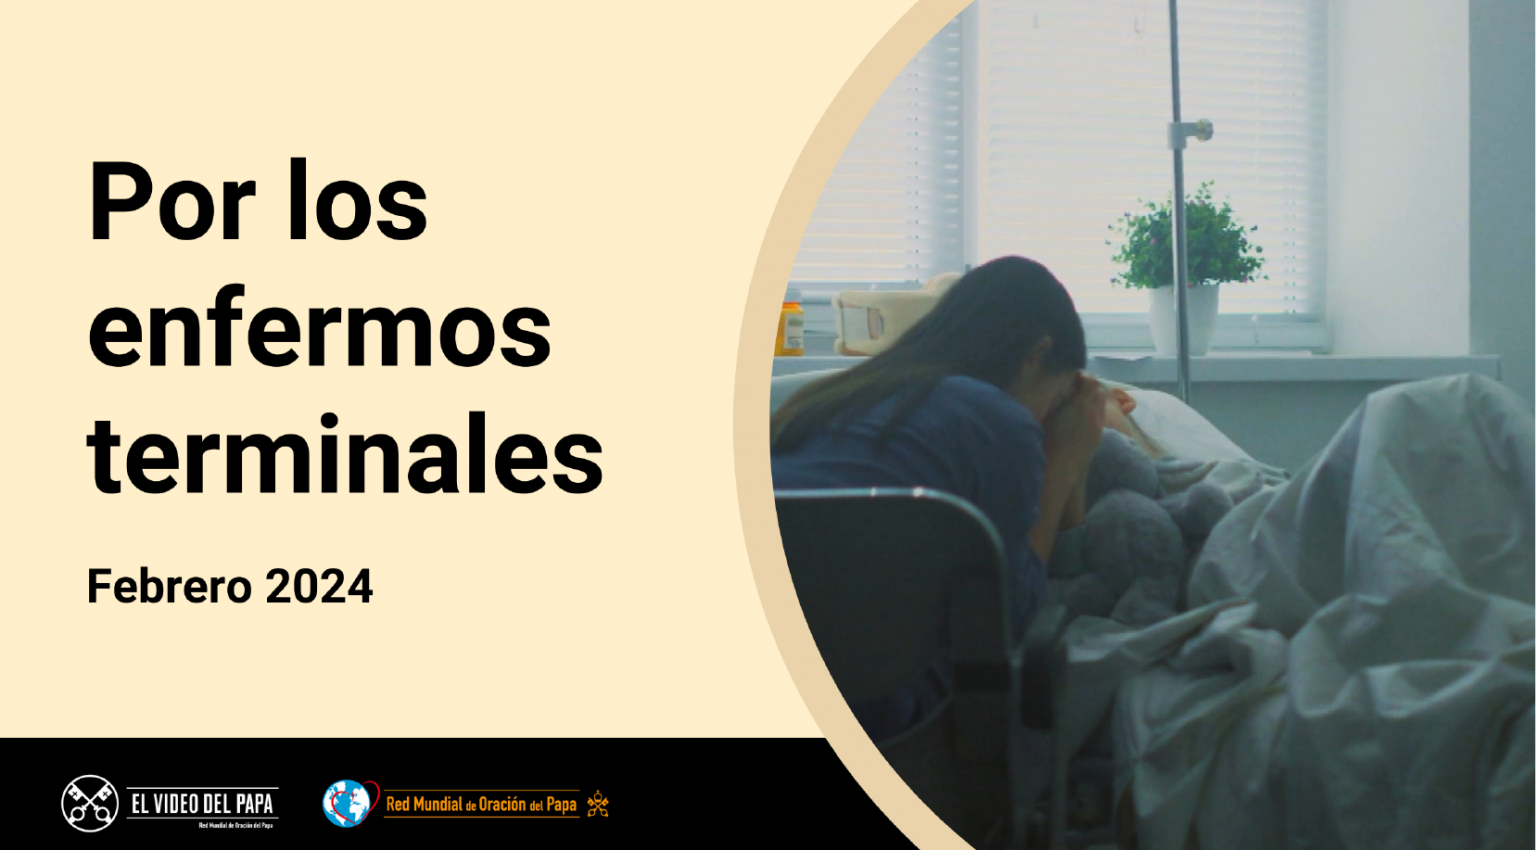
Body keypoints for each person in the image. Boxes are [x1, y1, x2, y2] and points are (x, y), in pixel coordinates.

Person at [770, 256, 1109, 742]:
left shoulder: (821, 399)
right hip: (873, 712)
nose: (1045, 420)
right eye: (1053, 401)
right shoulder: (998, 419)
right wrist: (1064, 462)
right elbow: (1004, 623)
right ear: (1038, 354)